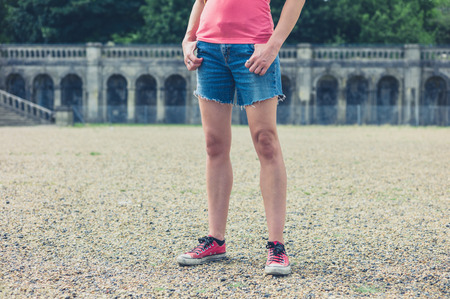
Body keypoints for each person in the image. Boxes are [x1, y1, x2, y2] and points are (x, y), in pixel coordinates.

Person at [177, 0, 305, 275]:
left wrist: (273, 44)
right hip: (208, 49)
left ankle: (276, 246)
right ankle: (215, 240)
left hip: (253, 47)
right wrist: (189, 38)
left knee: (266, 141)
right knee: (214, 144)